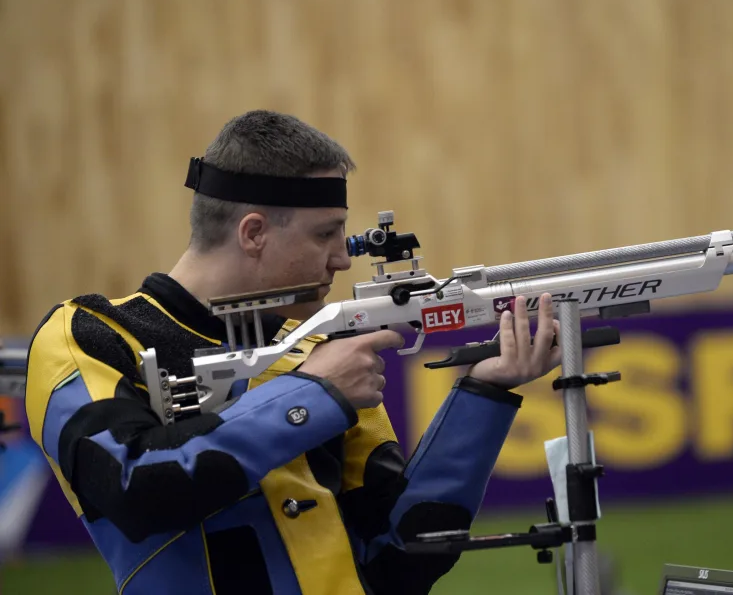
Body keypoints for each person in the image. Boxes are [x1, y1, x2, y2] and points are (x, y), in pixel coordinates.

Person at [24, 110, 563, 595]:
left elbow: (402, 558)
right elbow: (135, 491)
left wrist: (485, 392)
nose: (341, 260)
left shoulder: (316, 349)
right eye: (326, 235)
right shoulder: (90, 333)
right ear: (253, 232)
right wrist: (311, 395)